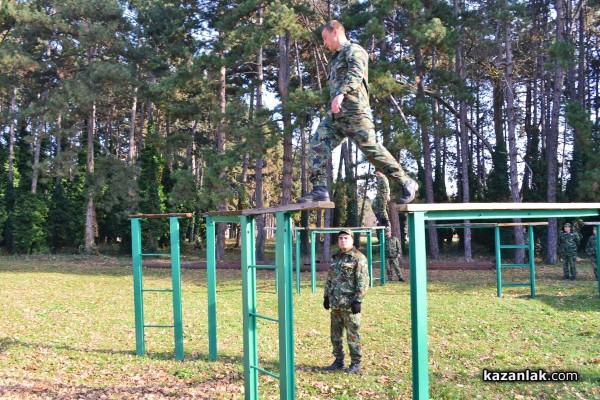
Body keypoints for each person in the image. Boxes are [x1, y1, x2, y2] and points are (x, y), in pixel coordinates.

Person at [296, 20, 418, 204]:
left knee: (372, 151)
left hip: (356, 113)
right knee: (317, 143)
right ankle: (319, 188)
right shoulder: (335, 58)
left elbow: (356, 74)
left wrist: (341, 93)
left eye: (325, 38)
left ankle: (405, 181)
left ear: (335, 32)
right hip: (336, 116)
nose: (324, 43)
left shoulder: (355, 50)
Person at [323, 228, 369, 374]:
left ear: (352, 240)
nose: (343, 240)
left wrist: (358, 300)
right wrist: (326, 296)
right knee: (335, 336)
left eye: (346, 238)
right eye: (341, 238)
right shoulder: (336, 258)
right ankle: (338, 360)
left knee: (352, 334)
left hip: (350, 305)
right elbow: (330, 278)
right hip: (336, 304)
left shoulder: (358, 258)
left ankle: (356, 363)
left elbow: (363, 280)